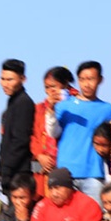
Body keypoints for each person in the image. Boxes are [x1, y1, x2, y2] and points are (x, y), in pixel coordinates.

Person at [54, 61, 111, 203]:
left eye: (91, 79)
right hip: (65, 174)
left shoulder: (107, 110)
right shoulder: (63, 106)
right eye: (82, 79)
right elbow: (53, 132)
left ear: (100, 80)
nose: (86, 84)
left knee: (94, 218)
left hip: (94, 174)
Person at [30, 67, 72, 197]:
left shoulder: (75, 105)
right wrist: (39, 155)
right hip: (42, 169)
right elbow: (31, 135)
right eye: (47, 87)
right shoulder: (38, 109)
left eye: (53, 86)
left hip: (67, 165)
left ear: (65, 85)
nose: (50, 91)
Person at [0, 59, 36, 194]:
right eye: (2, 79)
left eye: (10, 79)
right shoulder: (13, 102)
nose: (5, 83)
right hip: (10, 171)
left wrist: (7, 170)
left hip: (19, 173)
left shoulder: (23, 103)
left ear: (23, 79)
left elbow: (20, 140)